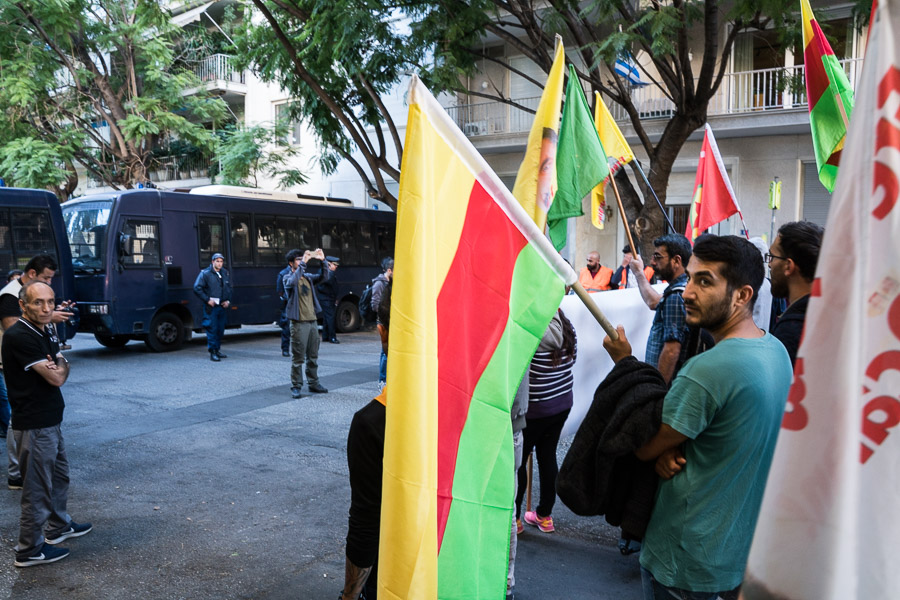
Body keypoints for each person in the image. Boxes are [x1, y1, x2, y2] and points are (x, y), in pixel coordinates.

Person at [602, 234, 793, 600]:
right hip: (734, 552)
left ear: (742, 295)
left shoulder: (706, 370)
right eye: (689, 277)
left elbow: (643, 447)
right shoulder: (775, 350)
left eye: (704, 281)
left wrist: (624, 364)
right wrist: (676, 443)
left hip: (684, 561)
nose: (688, 292)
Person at [4, 281, 92, 567]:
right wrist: (60, 365)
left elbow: (59, 361)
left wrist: (59, 362)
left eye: (50, 302)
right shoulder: (19, 335)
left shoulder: (47, 328)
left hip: (51, 419)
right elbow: (56, 377)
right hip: (35, 424)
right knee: (37, 490)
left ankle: (58, 527)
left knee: (59, 478)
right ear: (23, 305)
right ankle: (28, 550)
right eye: (38, 302)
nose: (45, 308)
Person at [0, 256, 74, 490]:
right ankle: (17, 472)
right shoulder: (11, 296)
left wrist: (59, 356)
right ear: (32, 274)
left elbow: (57, 356)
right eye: (45, 278)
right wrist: (49, 316)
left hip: (36, 368)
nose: (49, 283)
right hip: (15, 365)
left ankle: (58, 523)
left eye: (50, 302)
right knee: (18, 420)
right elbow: (17, 329)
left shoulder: (35, 300)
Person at [341, 281, 392, 600]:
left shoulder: (371, 423)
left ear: (382, 332)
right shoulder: (472, 406)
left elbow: (366, 523)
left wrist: (349, 596)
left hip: (397, 576)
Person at [515, 306, 577, 534]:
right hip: (561, 404)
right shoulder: (568, 326)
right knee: (548, 456)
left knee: (519, 461)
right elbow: (574, 359)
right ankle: (544, 516)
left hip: (535, 409)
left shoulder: (532, 332)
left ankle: (517, 519)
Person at [629, 234, 692, 384]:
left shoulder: (676, 296)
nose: (652, 262)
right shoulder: (682, 288)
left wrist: (657, 388)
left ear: (676, 261)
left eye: (658, 257)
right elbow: (653, 302)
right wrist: (639, 273)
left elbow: (671, 351)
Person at [768, 221, 824, 366]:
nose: (769, 264)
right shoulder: (829, 316)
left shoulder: (791, 330)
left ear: (788, 266)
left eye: (772, 257)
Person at [284, 248, 331, 399]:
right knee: (298, 357)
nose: (301, 261)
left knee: (313, 355)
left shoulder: (308, 277)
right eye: (297, 260)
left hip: (312, 321)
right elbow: (292, 282)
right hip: (298, 323)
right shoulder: (287, 277)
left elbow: (324, 277)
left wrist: (323, 261)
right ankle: (296, 386)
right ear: (291, 263)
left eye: (301, 259)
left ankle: (313, 383)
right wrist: (304, 262)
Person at [193, 253, 232, 362]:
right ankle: (213, 352)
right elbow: (197, 288)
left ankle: (217, 349)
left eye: (221, 261)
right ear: (212, 262)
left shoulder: (224, 273)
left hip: (222, 306)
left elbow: (229, 288)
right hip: (212, 307)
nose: (219, 263)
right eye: (217, 261)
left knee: (220, 329)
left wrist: (228, 300)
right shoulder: (205, 274)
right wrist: (207, 300)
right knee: (212, 329)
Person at [371, 257, 393, 388]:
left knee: (387, 351)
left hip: (389, 321)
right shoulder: (380, 284)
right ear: (389, 270)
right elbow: (374, 304)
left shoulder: (391, 282)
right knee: (384, 353)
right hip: (383, 322)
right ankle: (382, 380)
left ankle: (386, 378)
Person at [317, 256, 341, 344]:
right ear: (329, 264)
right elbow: (330, 285)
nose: (336, 267)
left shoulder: (327, 272)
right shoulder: (328, 273)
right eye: (334, 265)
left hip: (328, 298)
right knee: (331, 318)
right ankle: (332, 337)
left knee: (327, 318)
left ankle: (325, 336)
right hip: (327, 298)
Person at [276, 257, 293, 357]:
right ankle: (285, 349)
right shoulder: (283, 273)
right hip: (288, 304)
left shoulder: (300, 273)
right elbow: (280, 291)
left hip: (297, 303)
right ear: (291, 263)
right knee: (287, 327)